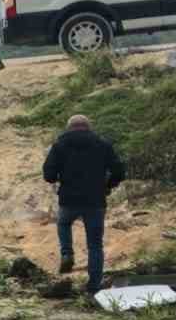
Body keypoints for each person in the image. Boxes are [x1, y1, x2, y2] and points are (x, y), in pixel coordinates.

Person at [43, 114, 125, 294]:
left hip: (69, 199)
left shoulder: (59, 146)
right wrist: (108, 185)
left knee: (64, 223)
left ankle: (67, 253)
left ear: (69, 127)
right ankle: (94, 286)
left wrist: (60, 178)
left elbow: (48, 175)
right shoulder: (103, 145)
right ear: (89, 127)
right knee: (95, 245)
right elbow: (119, 170)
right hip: (95, 200)